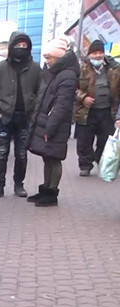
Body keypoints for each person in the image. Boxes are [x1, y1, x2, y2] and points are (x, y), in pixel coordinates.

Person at [0, 32, 42, 198]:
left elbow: (41, 92)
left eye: (24, 46)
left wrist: (33, 109)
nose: (21, 48)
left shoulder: (35, 68)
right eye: (18, 45)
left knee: (22, 154)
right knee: (2, 153)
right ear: (11, 47)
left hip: (25, 118)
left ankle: (19, 185)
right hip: (4, 117)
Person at [26, 37, 79, 207]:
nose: (46, 60)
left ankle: (51, 194)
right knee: (47, 157)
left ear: (58, 57)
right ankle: (45, 190)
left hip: (55, 125)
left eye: (49, 57)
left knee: (54, 158)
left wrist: (50, 128)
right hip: (46, 121)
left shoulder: (67, 76)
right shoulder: (53, 73)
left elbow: (61, 105)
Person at [75, 39, 120, 176]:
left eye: (100, 52)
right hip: (86, 112)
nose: (97, 56)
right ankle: (85, 165)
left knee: (105, 139)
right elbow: (73, 88)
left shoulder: (114, 69)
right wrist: (83, 97)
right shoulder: (81, 68)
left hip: (107, 111)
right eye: (94, 53)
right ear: (89, 55)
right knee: (84, 140)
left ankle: (101, 161)